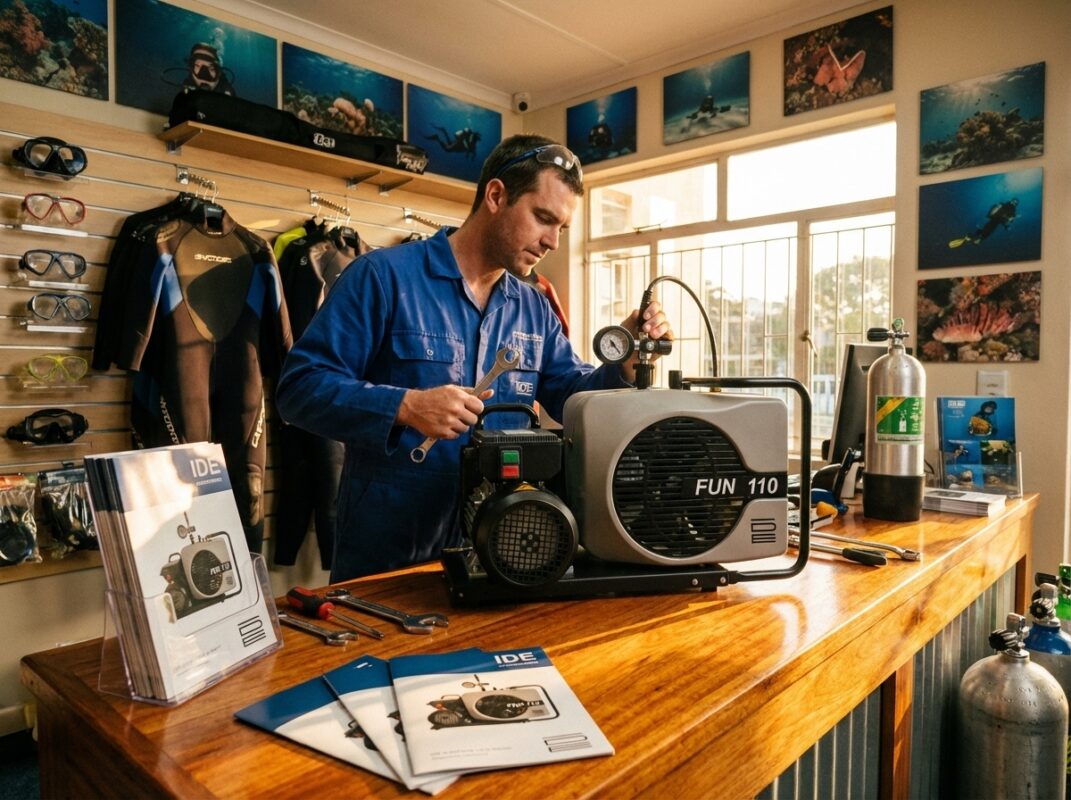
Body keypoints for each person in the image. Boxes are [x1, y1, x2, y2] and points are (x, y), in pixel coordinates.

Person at [275, 134, 673, 582]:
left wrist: (623, 365)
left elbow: (574, 400)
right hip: (388, 559)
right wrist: (406, 406)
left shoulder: (534, 307)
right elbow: (299, 389)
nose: (553, 242)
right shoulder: (382, 277)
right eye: (544, 218)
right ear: (496, 196)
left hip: (500, 554)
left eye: (562, 228)